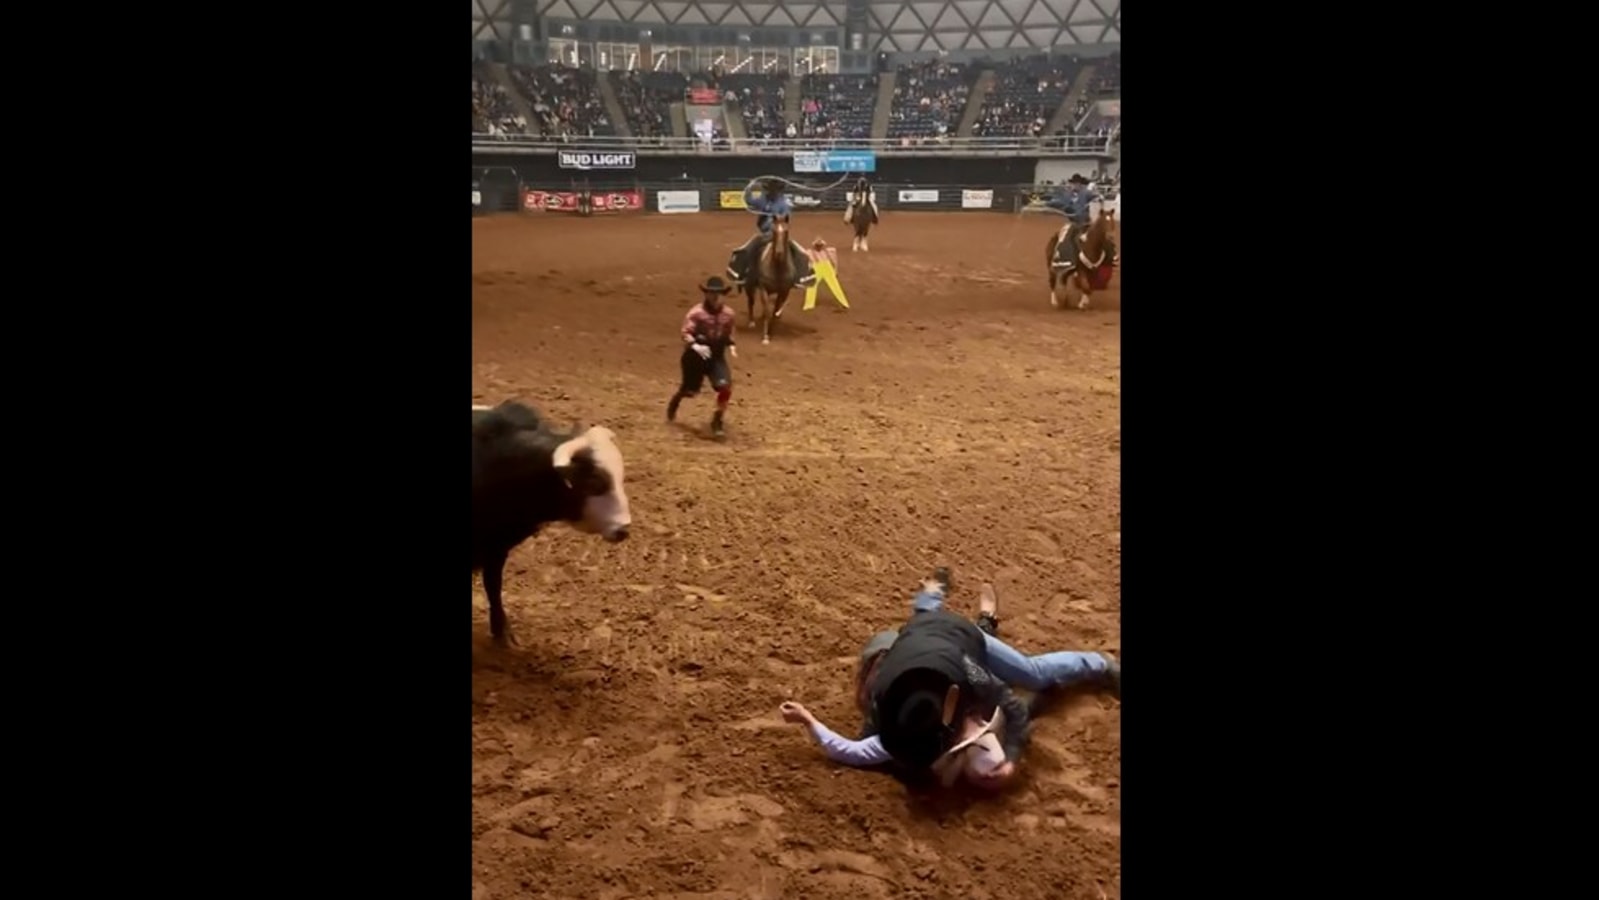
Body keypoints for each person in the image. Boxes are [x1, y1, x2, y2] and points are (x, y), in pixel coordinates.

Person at [779, 569, 1120, 789]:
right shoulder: (885, 716)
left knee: (1032, 673)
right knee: (926, 620)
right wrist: (807, 719)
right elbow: (854, 750)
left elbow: (1010, 702)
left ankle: (1100, 664)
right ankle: (938, 595)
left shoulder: (968, 674)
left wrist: (1013, 756)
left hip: (954, 638)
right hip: (915, 642)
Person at [667, 275, 739, 438]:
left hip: (716, 357)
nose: (715, 296)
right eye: (712, 293)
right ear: (706, 294)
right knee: (690, 390)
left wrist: (731, 344)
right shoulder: (696, 313)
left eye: (718, 293)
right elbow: (686, 332)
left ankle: (717, 420)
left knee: (725, 388)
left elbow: (729, 332)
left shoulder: (728, 315)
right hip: (695, 358)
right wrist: (695, 345)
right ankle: (678, 398)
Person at [726, 179, 815, 288]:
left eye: (774, 190)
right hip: (766, 234)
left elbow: (785, 219)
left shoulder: (783, 203)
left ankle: (800, 277)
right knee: (747, 248)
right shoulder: (763, 199)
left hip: (779, 233)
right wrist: (750, 187)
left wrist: (776, 222)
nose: (771, 192)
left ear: (778, 191)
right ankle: (741, 273)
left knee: (801, 253)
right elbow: (748, 200)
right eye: (770, 189)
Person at [1046, 173, 1118, 269]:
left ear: (1080, 184)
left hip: (1086, 223)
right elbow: (1056, 202)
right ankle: (1062, 259)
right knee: (1064, 239)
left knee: (1102, 236)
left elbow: (1096, 196)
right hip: (1072, 223)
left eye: (1077, 184)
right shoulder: (1067, 195)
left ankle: (1111, 257)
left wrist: (1099, 197)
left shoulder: (1085, 193)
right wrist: (1048, 203)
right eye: (1074, 184)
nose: (1075, 185)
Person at [801, 237, 850, 311]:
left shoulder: (828, 251)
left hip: (826, 268)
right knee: (812, 286)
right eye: (818, 245)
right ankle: (809, 304)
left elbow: (834, 261)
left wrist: (835, 270)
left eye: (820, 245)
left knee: (835, 286)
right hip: (818, 268)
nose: (819, 246)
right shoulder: (810, 252)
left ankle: (844, 303)